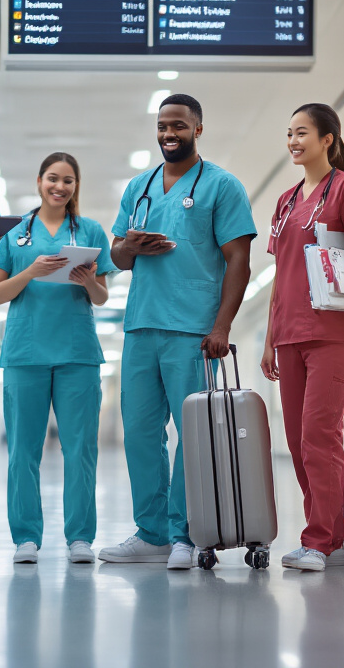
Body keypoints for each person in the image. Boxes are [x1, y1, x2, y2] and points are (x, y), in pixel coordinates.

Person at [99, 93, 256, 570]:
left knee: (192, 434)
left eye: (179, 127)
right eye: (163, 126)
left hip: (193, 330)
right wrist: (132, 247)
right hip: (142, 326)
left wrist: (222, 325)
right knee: (141, 433)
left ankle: (186, 533)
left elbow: (239, 262)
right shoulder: (138, 189)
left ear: (198, 129)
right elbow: (117, 258)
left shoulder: (222, 187)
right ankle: (152, 534)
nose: (169, 134)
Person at [259, 102, 344, 572]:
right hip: (290, 333)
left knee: (320, 433)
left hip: (332, 333)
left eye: (302, 133)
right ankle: (331, 539)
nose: (293, 141)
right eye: (289, 134)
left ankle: (318, 539)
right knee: (297, 439)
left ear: (327, 139)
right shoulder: (287, 200)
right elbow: (281, 273)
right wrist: (269, 338)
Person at [0, 153, 117, 565]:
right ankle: (26, 537)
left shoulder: (90, 231)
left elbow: (101, 296)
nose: (59, 187)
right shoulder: (14, 234)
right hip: (25, 354)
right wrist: (31, 272)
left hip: (77, 355)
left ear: (76, 186)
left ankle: (80, 537)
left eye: (68, 181)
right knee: (23, 450)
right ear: (39, 181)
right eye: (52, 179)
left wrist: (86, 282)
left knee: (80, 449)